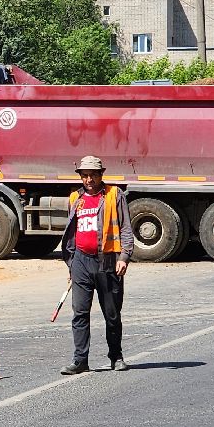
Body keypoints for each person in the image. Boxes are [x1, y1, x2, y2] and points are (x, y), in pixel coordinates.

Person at [59, 155, 134, 375]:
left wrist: (124, 257)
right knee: (79, 313)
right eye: (85, 176)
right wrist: (71, 264)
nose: (89, 179)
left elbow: (126, 229)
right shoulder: (76, 198)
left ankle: (116, 356)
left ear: (101, 175)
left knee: (112, 313)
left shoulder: (114, 195)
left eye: (93, 175)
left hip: (108, 262)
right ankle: (80, 360)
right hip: (81, 262)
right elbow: (71, 234)